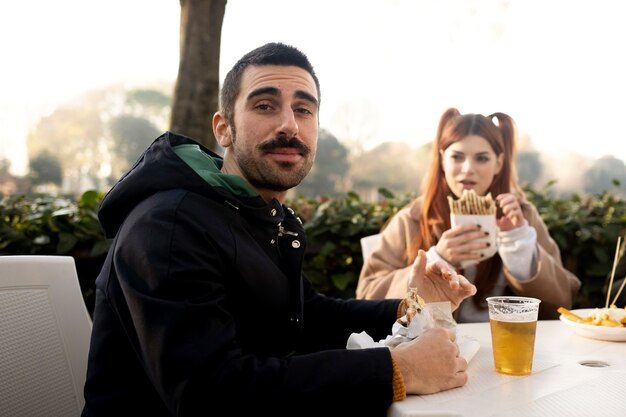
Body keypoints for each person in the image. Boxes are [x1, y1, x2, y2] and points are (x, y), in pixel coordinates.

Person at [81, 43, 477, 417]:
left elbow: (309, 317)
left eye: (304, 110)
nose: (289, 124)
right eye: (265, 105)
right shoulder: (168, 226)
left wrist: (411, 308)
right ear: (223, 129)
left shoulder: (258, 214)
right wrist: (398, 370)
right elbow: (210, 395)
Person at [356, 108, 581, 322]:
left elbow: (560, 304)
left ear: (499, 164)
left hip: (506, 350)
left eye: (481, 158)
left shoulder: (521, 218)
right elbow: (366, 297)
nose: (467, 169)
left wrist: (520, 248)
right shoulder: (412, 220)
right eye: (457, 157)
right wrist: (436, 261)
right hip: (432, 351)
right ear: (443, 159)